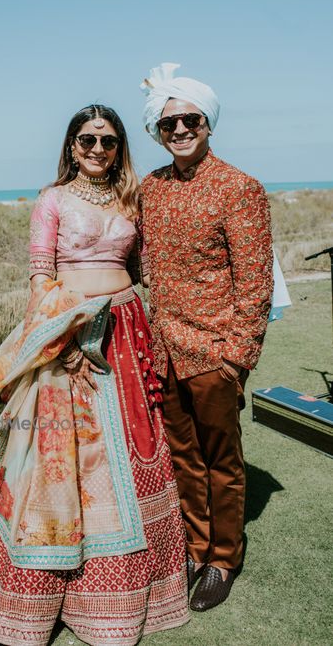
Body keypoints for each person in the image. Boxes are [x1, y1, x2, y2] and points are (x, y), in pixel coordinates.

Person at [0, 104, 189, 645]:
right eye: (86, 140)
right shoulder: (51, 199)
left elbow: (146, 268)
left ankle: (129, 588)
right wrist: (63, 340)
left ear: (120, 146)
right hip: (66, 332)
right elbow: (40, 273)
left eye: (107, 141)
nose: (97, 150)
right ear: (71, 146)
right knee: (55, 457)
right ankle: (42, 591)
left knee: (132, 447)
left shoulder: (132, 198)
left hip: (125, 331)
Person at [139, 64, 274, 611]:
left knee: (222, 460)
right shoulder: (151, 187)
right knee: (183, 457)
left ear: (208, 123)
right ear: (158, 130)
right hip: (163, 351)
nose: (179, 130)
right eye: (168, 123)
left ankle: (223, 559)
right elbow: (146, 257)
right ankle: (195, 548)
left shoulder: (240, 188)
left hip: (214, 353)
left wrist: (235, 359)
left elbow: (256, 282)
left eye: (189, 119)